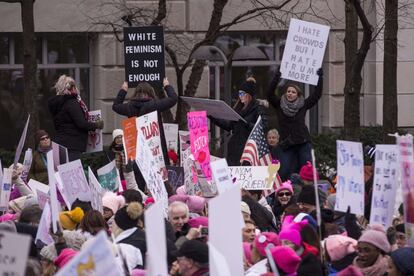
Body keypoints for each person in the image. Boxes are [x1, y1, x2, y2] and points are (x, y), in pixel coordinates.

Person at [267, 68, 323, 180]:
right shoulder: (279, 104)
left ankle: (307, 192)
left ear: (298, 94)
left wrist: (319, 78)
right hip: (287, 144)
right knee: (284, 171)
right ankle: (286, 193)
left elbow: (316, 95)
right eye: (288, 91)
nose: (290, 94)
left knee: (307, 170)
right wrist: (276, 77)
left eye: (293, 92)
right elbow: (269, 94)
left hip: (302, 143)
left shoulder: (303, 105)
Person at [112, 78, 177, 168]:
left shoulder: (129, 107)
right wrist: (167, 85)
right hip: (154, 148)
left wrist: (123, 90)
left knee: (139, 174)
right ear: (150, 92)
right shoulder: (155, 105)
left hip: (137, 149)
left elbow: (115, 106)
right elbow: (173, 99)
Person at [208, 77, 267, 166]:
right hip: (234, 149)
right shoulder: (238, 108)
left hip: (248, 150)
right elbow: (229, 126)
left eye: (243, 93)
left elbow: (263, 126)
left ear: (249, 95)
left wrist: (247, 124)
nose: (240, 96)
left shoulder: (258, 108)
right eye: (239, 93)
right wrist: (213, 118)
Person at [48, 75, 104, 161]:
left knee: (61, 172)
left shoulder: (57, 103)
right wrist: (96, 125)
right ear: (72, 87)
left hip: (59, 143)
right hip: (72, 145)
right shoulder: (71, 102)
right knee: (72, 173)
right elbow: (81, 123)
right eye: (74, 86)